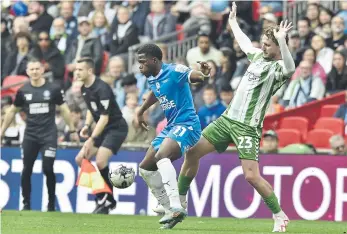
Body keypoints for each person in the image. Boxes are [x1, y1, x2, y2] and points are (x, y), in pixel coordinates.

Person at [174, 2, 296, 232]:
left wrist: (281, 40)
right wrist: (231, 22)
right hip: (226, 121)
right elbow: (244, 42)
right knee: (191, 152)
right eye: (264, 43)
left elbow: (291, 68)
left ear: (278, 46)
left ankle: (279, 215)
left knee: (251, 176)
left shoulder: (278, 67)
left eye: (269, 45)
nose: (264, 47)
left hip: (247, 128)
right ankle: (179, 202)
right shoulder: (258, 57)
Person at [133, 44, 211, 229]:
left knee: (161, 155)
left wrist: (204, 74)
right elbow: (156, 91)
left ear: (154, 60)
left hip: (188, 125)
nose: (140, 67)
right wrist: (142, 110)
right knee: (145, 168)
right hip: (171, 127)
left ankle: (176, 205)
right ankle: (168, 208)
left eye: (143, 62)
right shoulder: (153, 77)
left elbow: (195, 76)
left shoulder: (175, 70)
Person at [0, 58, 79, 211]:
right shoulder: (23, 91)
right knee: (26, 169)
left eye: (37, 69)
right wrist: (1, 132)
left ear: (43, 70)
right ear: (28, 72)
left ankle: (50, 204)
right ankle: (26, 204)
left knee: (48, 168)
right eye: (32, 69)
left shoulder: (53, 89)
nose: (35, 72)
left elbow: (64, 110)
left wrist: (73, 130)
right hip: (30, 136)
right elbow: (12, 112)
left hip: (48, 135)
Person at [74, 57, 128, 214]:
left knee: (100, 160)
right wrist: (86, 125)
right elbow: (92, 110)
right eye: (76, 70)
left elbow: (104, 117)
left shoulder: (102, 88)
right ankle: (102, 196)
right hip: (102, 128)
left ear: (89, 71)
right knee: (80, 159)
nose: (76, 72)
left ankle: (109, 199)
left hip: (116, 128)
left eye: (80, 70)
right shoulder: (84, 88)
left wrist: (91, 139)